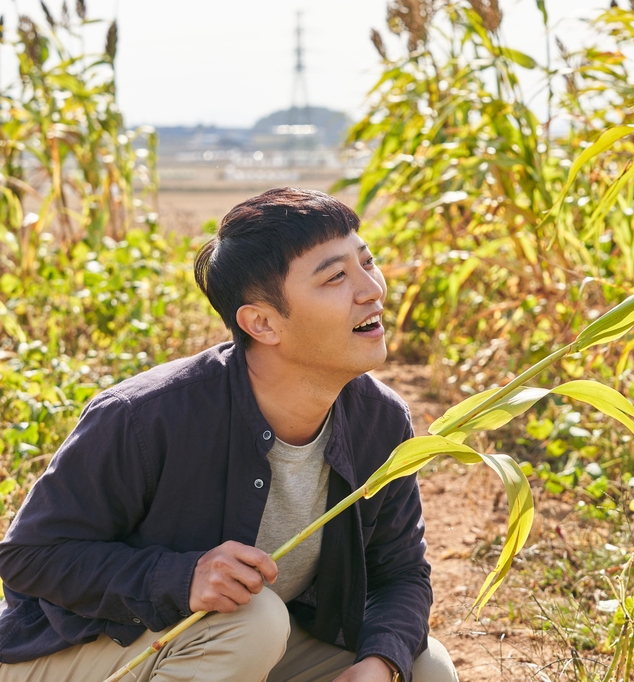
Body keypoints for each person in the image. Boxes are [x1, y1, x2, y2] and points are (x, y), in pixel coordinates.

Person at [0, 188, 459, 682]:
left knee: (423, 667)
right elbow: (28, 556)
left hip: (240, 645)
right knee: (253, 622)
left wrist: (378, 662)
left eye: (368, 262)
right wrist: (181, 578)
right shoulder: (145, 416)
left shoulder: (381, 421)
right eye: (336, 277)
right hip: (88, 651)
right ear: (261, 322)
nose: (371, 289)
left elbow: (401, 574)